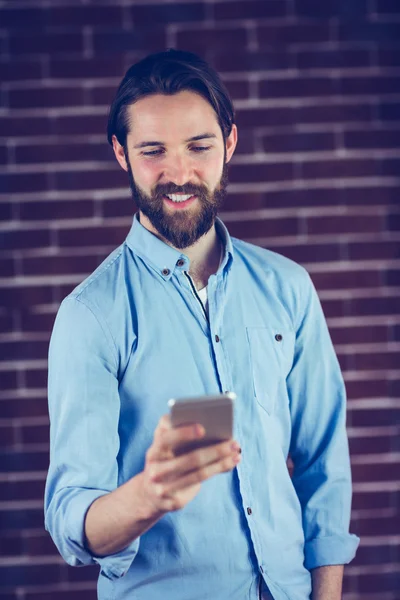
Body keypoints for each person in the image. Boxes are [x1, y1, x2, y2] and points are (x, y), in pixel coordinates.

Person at [44, 49, 359, 600]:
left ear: (229, 143)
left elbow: (323, 461)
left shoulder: (288, 288)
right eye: (152, 151)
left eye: (199, 146)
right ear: (121, 154)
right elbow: (72, 518)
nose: (179, 173)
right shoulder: (90, 316)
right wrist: (150, 494)